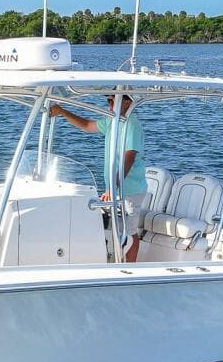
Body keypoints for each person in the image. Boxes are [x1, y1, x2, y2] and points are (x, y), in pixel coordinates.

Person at [48, 94, 148, 262]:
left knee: (129, 232)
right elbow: (87, 125)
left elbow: (128, 158)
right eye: (108, 100)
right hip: (116, 188)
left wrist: (112, 187)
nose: (109, 104)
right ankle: (116, 263)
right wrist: (62, 111)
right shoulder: (112, 121)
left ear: (127, 102)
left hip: (131, 189)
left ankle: (131, 269)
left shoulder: (131, 125)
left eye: (113, 101)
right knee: (117, 229)